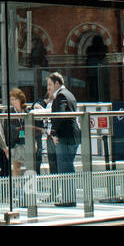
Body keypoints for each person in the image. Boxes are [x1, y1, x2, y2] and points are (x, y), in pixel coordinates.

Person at [47, 72, 80, 206]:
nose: (48, 88)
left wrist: (53, 133)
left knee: (65, 168)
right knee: (68, 166)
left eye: (50, 84)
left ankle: (68, 199)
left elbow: (60, 115)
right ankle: (69, 197)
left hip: (65, 136)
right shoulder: (69, 94)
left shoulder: (61, 96)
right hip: (73, 135)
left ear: (57, 84)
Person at [6, 88, 29, 177]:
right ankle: (17, 186)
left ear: (20, 99)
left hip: (26, 141)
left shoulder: (26, 111)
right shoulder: (9, 112)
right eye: (11, 100)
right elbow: (7, 129)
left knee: (29, 165)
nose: (13, 102)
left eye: (15, 99)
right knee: (16, 166)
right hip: (15, 142)